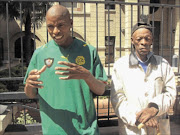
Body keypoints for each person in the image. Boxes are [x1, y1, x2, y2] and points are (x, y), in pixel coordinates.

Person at [24, 4, 107, 135]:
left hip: (85, 130)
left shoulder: (89, 51)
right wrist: (29, 85)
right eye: (50, 26)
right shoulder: (39, 54)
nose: (55, 31)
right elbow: (31, 94)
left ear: (71, 23)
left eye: (61, 25)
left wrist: (87, 76)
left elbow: (101, 90)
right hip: (53, 130)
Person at [110, 22, 176, 135]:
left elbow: (170, 93)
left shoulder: (163, 64)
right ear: (132, 40)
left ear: (152, 41)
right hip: (132, 128)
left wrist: (153, 109)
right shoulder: (120, 66)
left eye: (147, 39)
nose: (143, 43)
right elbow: (118, 98)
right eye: (139, 39)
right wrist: (141, 118)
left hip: (158, 127)